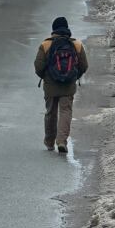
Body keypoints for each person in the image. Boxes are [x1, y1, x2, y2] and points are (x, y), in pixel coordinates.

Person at [34, 17, 88, 153]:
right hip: (68, 85)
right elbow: (84, 65)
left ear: (53, 30)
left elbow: (38, 66)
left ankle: (49, 142)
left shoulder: (46, 45)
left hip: (50, 85)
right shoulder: (76, 45)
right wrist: (74, 76)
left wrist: (46, 76)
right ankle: (62, 141)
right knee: (65, 111)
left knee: (50, 112)